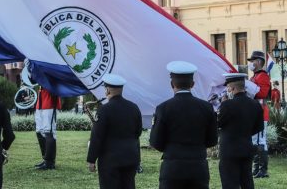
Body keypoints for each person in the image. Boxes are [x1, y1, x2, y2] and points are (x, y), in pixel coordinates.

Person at [150, 61, 218, 189]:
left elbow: (156, 142)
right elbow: (212, 140)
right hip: (198, 167)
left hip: (172, 168)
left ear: (172, 84)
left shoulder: (163, 108)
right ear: (192, 84)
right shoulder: (207, 108)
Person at [87, 74, 142, 189]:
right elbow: (138, 132)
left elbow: (97, 137)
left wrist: (91, 159)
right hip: (131, 157)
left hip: (110, 160)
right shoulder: (134, 107)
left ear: (107, 90)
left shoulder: (104, 110)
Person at [218, 73, 264, 189]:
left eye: (228, 87)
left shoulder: (227, 105)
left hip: (229, 151)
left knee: (230, 183)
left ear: (232, 88)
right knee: (247, 182)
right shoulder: (255, 104)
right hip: (247, 148)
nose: (227, 90)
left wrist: (222, 105)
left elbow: (218, 123)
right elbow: (259, 127)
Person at [22, 66, 61, 170]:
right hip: (41, 101)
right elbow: (33, 80)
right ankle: (45, 159)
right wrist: (30, 69)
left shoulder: (50, 65)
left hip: (50, 101)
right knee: (39, 131)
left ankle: (50, 162)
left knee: (49, 131)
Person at [246, 50, 271, 178]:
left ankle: (263, 170)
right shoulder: (254, 76)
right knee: (254, 141)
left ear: (259, 62)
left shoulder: (263, 76)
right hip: (254, 111)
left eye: (252, 61)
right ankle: (256, 169)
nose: (250, 63)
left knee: (261, 140)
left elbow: (262, 94)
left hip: (260, 112)